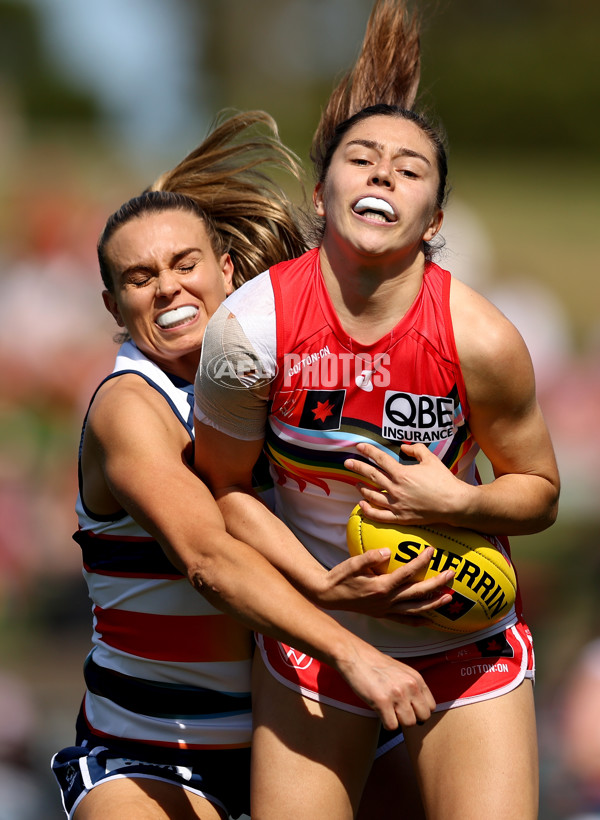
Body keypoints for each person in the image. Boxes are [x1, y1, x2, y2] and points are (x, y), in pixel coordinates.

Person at [193, 0, 561, 820]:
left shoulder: (483, 338)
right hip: (315, 646)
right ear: (323, 194)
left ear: (434, 220)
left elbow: (539, 493)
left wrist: (459, 498)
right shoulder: (251, 331)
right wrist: (321, 596)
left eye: (409, 168)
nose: (382, 175)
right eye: (361, 160)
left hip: (463, 644)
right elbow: (226, 493)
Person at [51, 110, 456, 820]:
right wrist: (351, 647)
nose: (168, 289)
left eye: (185, 265)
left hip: (303, 738)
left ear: (227, 270)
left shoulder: (272, 376)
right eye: (140, 278)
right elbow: (208, 556)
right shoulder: (129, 406)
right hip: (150, 756)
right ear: (114, 305)